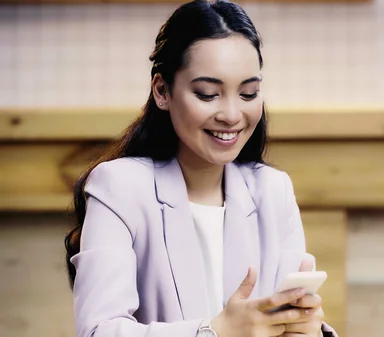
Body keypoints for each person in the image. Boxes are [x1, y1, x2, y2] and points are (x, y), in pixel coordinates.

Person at [63, 1, 338, 336]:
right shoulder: (118, 187)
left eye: (249, 93)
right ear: (162, 91)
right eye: (208, 94)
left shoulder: (272, 190)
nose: (232, 114)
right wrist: (216, 331)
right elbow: (98, 331)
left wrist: (304, 329)